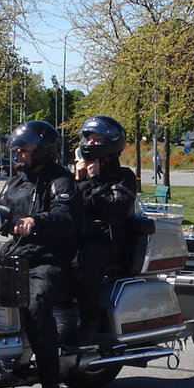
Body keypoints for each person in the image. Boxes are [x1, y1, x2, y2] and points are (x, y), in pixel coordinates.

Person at [0, 120, 82, 388]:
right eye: (17, 147)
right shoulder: (15, 181)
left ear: (43, 150)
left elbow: (66, 217)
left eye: (26, 147)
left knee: (35, 306)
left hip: (48, 259)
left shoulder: (60, 180)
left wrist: (37, 221)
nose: (19, 152)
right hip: (13, 256)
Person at [72, 115, 138, 350]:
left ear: (111, 142)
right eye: (88, 137)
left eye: (96, 138)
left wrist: (95, 179)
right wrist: (77, 181)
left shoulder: (124, 177)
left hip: (109, 242)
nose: (89, 143)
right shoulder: (81, 173)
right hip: (80, 236)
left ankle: (90, 327)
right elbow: (70, 207)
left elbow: (113, 210)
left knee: (82, 261)